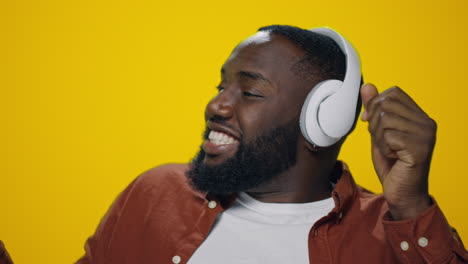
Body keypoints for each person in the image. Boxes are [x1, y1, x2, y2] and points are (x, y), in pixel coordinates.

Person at [77, 25, 468, 263]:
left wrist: (411, 206)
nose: (216, 104)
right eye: (220, 86)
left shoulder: (386, 235)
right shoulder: (154, 195)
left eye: (249, 92)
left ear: (321, 119)